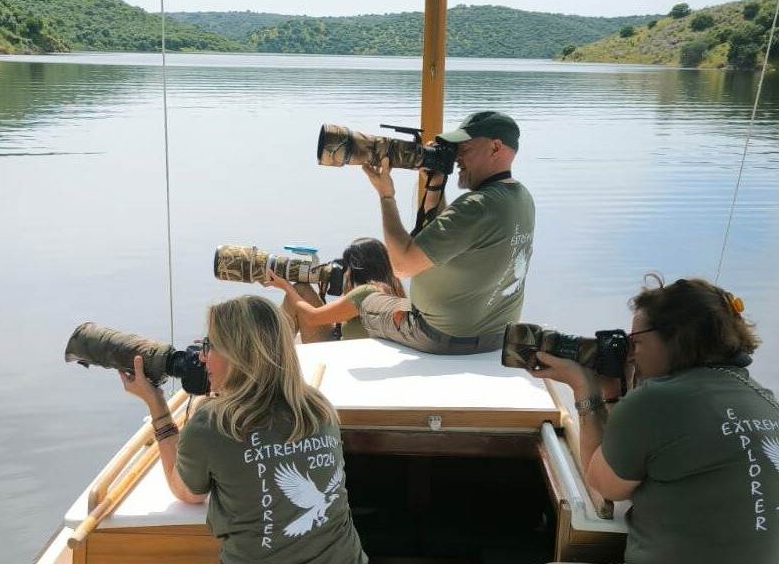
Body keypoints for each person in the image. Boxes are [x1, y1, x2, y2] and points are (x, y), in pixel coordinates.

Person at [530, 276, 779, 564]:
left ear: (674, 337)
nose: (631, 354)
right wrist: (615, 394)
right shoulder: (764, 398)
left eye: (635, 342)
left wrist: (584, 390)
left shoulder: (657, 399)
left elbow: (604, 484)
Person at [119, 294, 368, 564]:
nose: (201, 357)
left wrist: (157, 405)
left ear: (237, 355)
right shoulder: (317, 407)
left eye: (209, 346)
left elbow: (187, 492)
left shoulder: (211, 424)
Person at [350, 110, 535, 354]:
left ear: (495, 147)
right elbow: (445, 236)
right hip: (496, 336)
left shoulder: (476, 206)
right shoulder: (520, 198)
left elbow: (402, 267)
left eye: (464, 147)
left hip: (441, 336)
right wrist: (435, 185)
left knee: (367, 301)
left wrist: (386, 195)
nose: (456, 156)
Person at [268, 236, 407, 343]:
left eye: (348, 267)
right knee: (302, 289)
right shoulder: (393, 286)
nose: (346, 272)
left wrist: (285, 286)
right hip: (350, 346)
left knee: (298, 290)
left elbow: (312, 317)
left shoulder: (366, 292)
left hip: (339, 354)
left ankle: (269, 351)